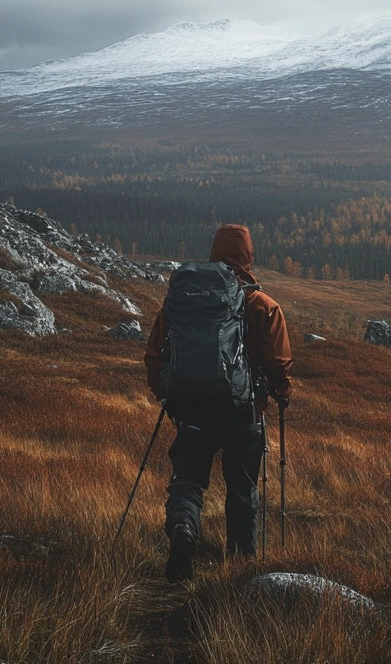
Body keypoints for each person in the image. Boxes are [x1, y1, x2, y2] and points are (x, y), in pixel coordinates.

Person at [144, 223, 293, 581]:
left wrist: (165, 394)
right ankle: (239, 567)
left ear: (214, 253)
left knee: (187, 481)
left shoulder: (184, 300)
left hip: (192, 410)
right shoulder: (264, 305)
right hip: (244, 413)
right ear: (249, 256)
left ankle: (183, 531)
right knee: (242, 489)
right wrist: (281, 394)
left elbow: (155, 356)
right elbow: (279, 363)